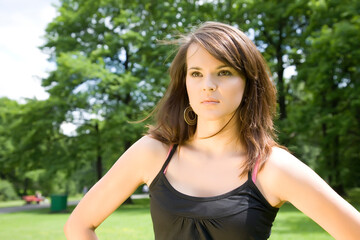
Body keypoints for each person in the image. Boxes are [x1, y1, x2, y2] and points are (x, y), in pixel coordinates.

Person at [64, 21, 360, 239]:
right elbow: (79, 225)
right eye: (196, 73)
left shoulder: (272, 167)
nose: (208, 84)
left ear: (248, 84)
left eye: (224, 72)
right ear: (185, 83)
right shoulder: (152, 153)